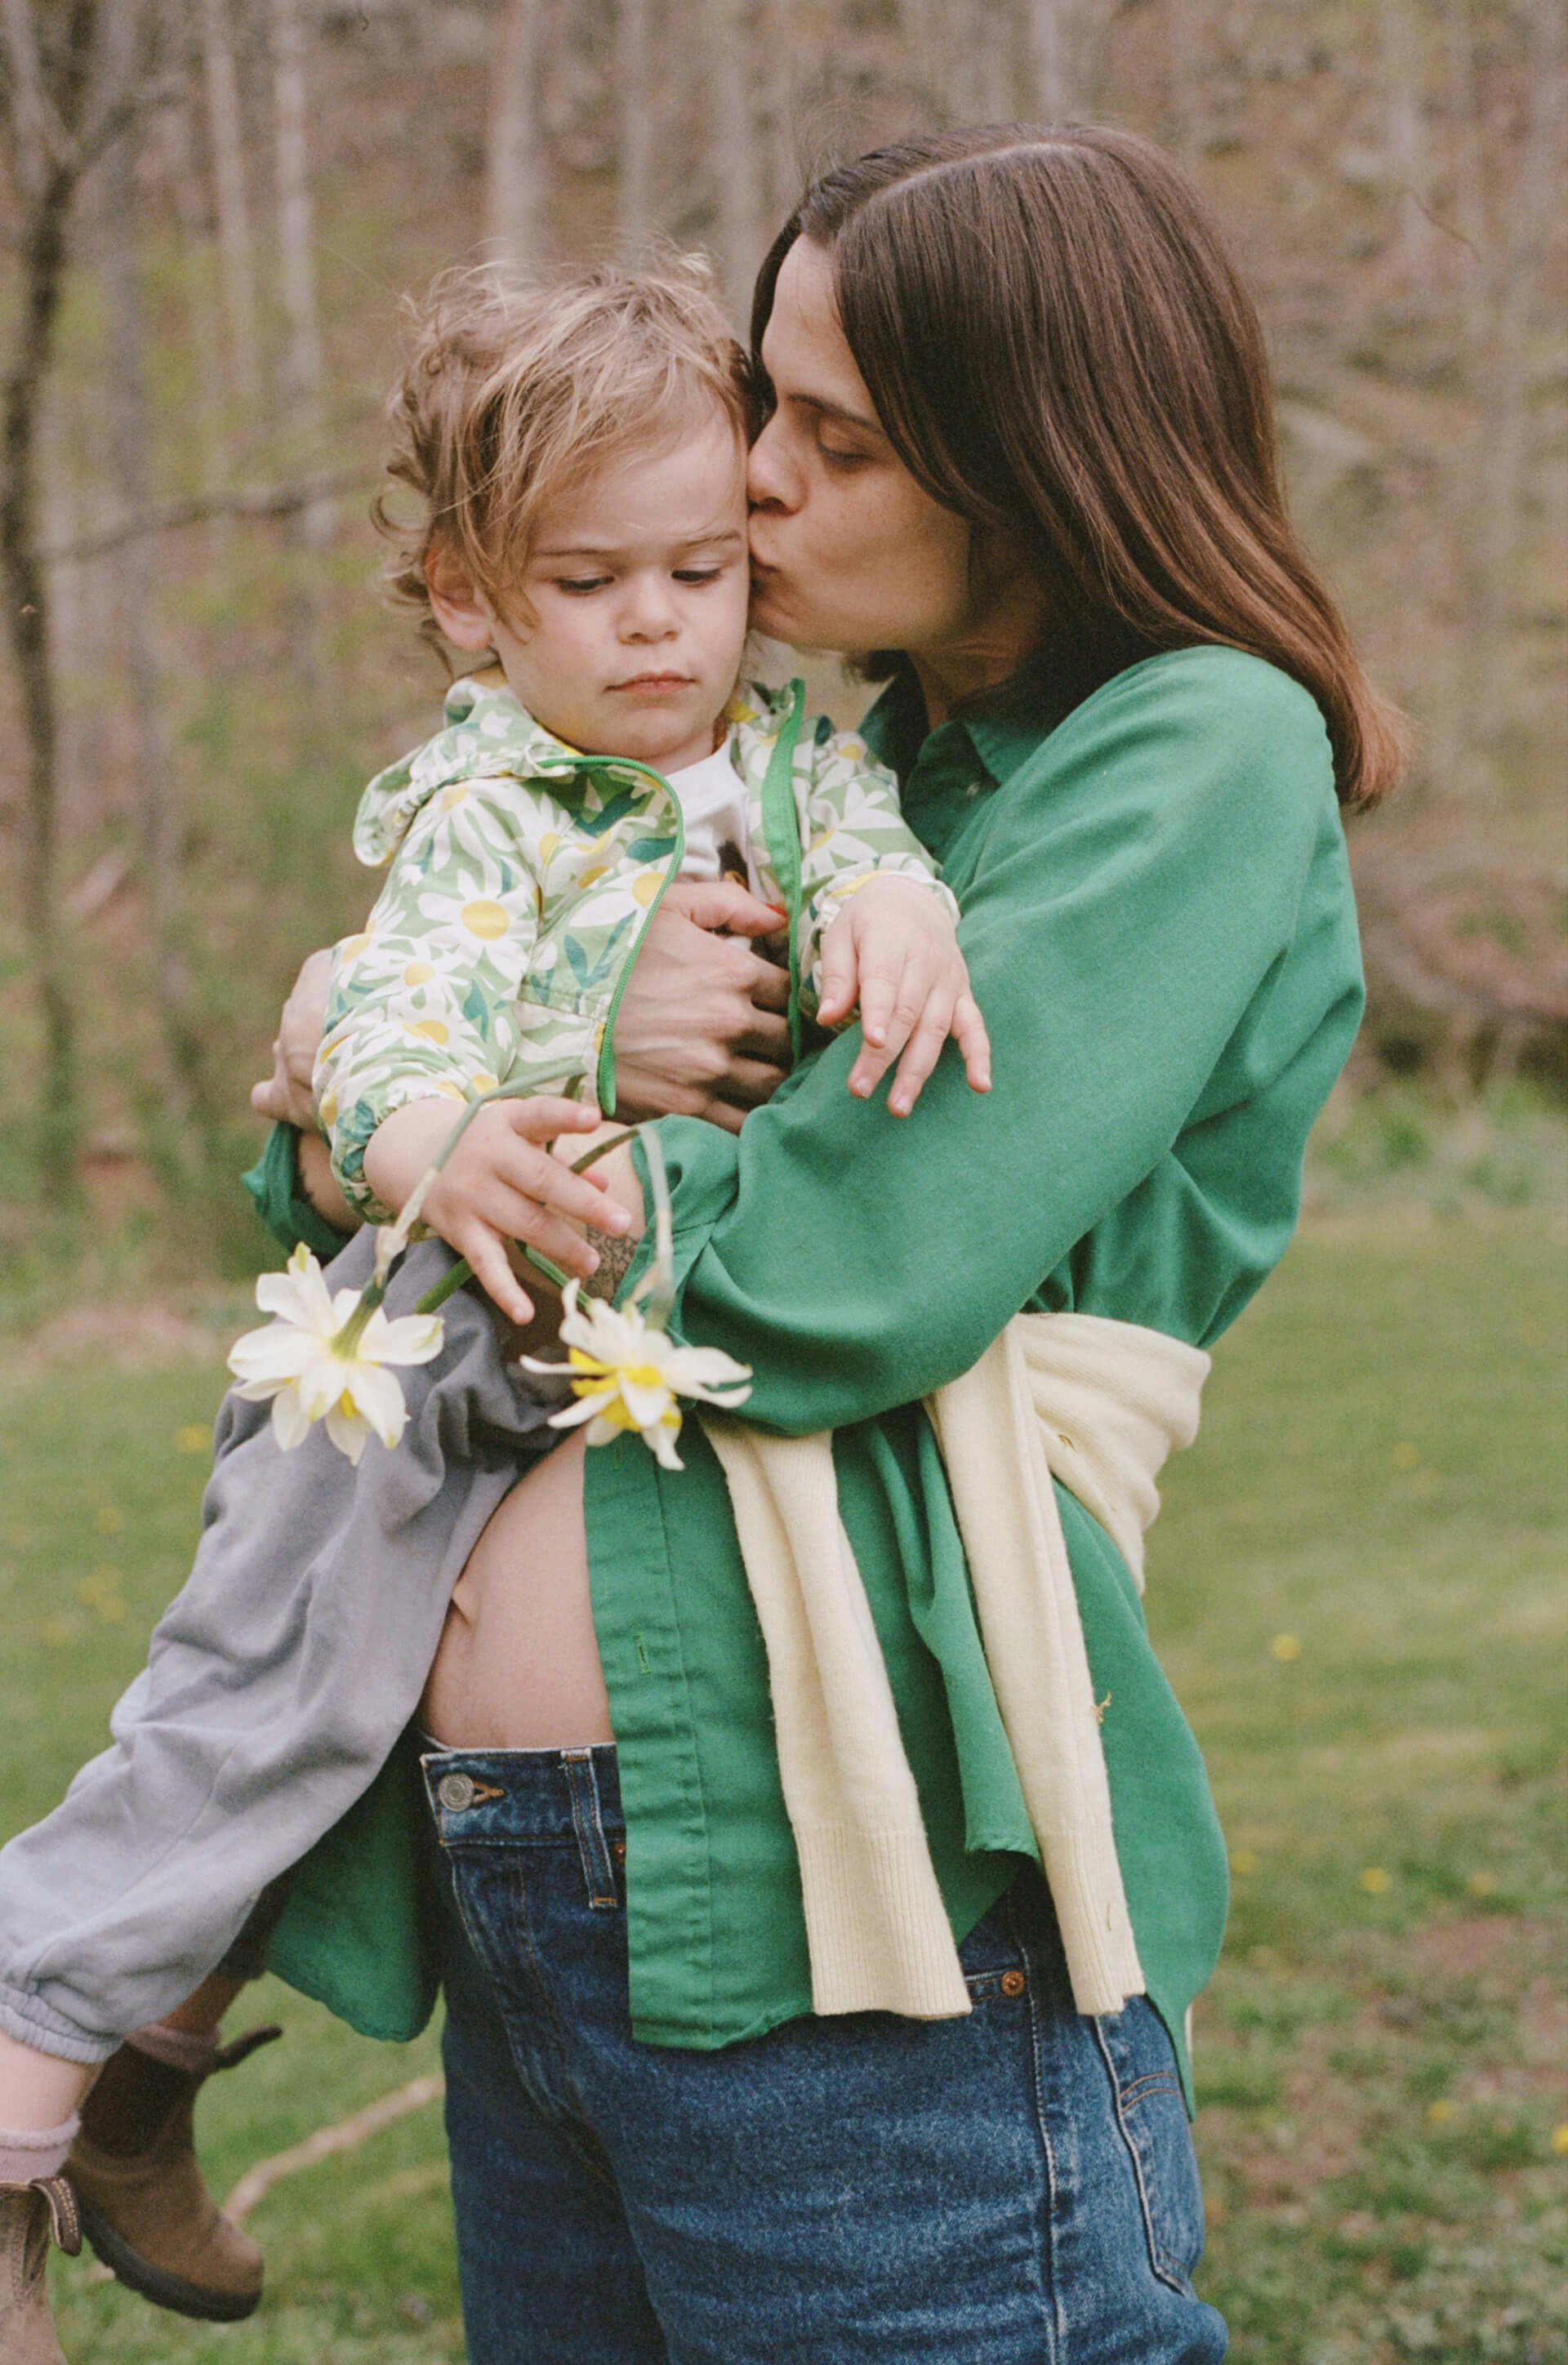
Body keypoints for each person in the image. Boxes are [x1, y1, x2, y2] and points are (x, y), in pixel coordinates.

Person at [12, 118, 1404, 2363]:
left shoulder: (1194, 751)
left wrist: (383, 1097)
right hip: (552, 1881)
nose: (748, 481)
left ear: (1027, 457)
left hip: (836, 1871)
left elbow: (842, 1258)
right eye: (768, 399)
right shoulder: (838, 763)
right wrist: (397, 1093)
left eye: (829, 436)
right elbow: (358, 1145)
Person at [0, 259, 989, 2358]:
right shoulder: (485, 804)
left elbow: (871, 829)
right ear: (471, 599)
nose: (660, 622)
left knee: (355, 1717)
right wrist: (453, 1115)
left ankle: (154, 2058)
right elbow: (384, 1026)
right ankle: (24, 2048)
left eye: (701, 570)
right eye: (591, 577)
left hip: (605, 1343)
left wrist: (898, 900)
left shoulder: (797, 756)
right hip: (444, 1322)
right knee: (267, 1675)